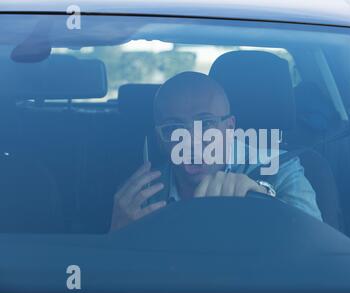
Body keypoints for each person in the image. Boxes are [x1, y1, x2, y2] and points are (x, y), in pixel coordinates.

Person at [111, 72, 322, 230]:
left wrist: (263, 200)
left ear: (229, 128)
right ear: (159, 139)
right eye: (174, 128)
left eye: (206, 124)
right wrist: (118, 236)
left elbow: (317, 251)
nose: (191, 141)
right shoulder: (143, 194)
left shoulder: (279, 169)